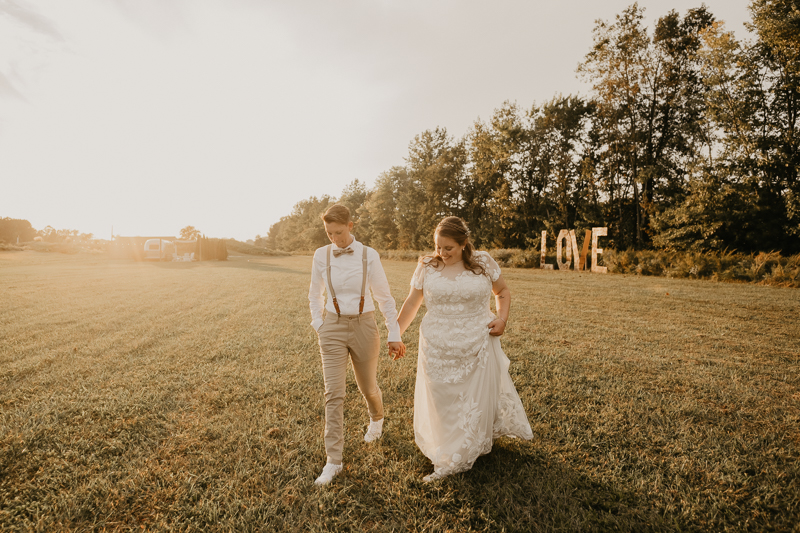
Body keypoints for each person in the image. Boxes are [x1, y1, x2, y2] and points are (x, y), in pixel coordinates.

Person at [396, 216, 533, 482]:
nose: (442, 253)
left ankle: (467, 446)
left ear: (463, 243)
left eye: (448, 248)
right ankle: (447, 450)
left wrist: (502, 318)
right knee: (441, 396)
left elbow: (502, 290)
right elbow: (412, 303)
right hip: (436, 344)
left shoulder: (482, 262)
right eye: (438, 247)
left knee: (473, 397)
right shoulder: (427, 265)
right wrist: (395, 335)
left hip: (477, 340)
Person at [308, 204, 406, 486]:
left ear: (351, 226)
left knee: (368, 387)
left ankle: (377, 417)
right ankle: (333, 461)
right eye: (329, 233)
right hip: (332, 327)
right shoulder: (321, 255)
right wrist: (319, 324)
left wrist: (394, 333)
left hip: (365, 325)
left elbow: (385, 298)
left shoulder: (368, 255)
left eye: (338, 232)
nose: (334, 239)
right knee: (333, 394)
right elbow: (315, 294)